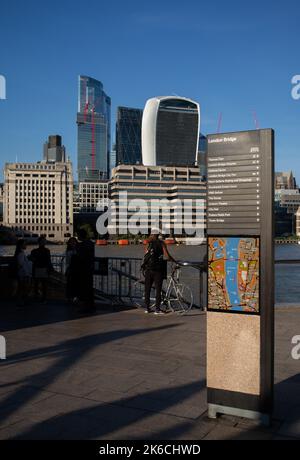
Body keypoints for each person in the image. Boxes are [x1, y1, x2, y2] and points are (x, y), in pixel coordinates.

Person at [143, 230, 176, 315]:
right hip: (158, 270)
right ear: (158, 235)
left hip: (148, 269)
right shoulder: (161, 243)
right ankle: (157, 309)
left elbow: (146, 255)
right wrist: (174, 261)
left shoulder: (148, 243)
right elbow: (167, 256)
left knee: (147, 289)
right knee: (158, 290)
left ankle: (147, 308)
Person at [76, 228, 95, 311]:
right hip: (89, 268)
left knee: (83, 288)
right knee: (89, 288)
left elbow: (80, 257)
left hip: (83, 269)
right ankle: (90, 305)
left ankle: (85, 306)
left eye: (77, 235)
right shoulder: (90, 243)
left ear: (80, 235)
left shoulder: (81, 245)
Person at [30, 235, 53, 304]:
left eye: (44, 241)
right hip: (43, 268)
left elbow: (32, 259)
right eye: (43, 241)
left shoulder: (34, 251)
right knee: (43, 284)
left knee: (38, 284)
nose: (44, 242)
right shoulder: (47, 251)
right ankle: (43, 298)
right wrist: (50, 268)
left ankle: (37, 297)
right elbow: (48, 261)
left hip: (37, 268)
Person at [14, 239, 32, 306]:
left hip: (21, 273)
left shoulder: (19, 253)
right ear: (21, 245)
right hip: (23, 274)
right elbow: (21, 264)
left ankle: (21, 301)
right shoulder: (21, 253)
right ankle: (21, 301)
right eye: (25, 244)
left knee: (21, 288)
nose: (26, 245)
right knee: (23, 288)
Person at [64, 236, 79, 302]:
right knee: (69, 284)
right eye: (71, 242)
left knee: (75, 284)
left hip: (76, 269)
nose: (73, 243)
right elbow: (68, 262)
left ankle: (74, 297)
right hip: (71, 269)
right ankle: (69, 297)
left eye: (74, 242)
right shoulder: (69, 251)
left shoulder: (77, 250)